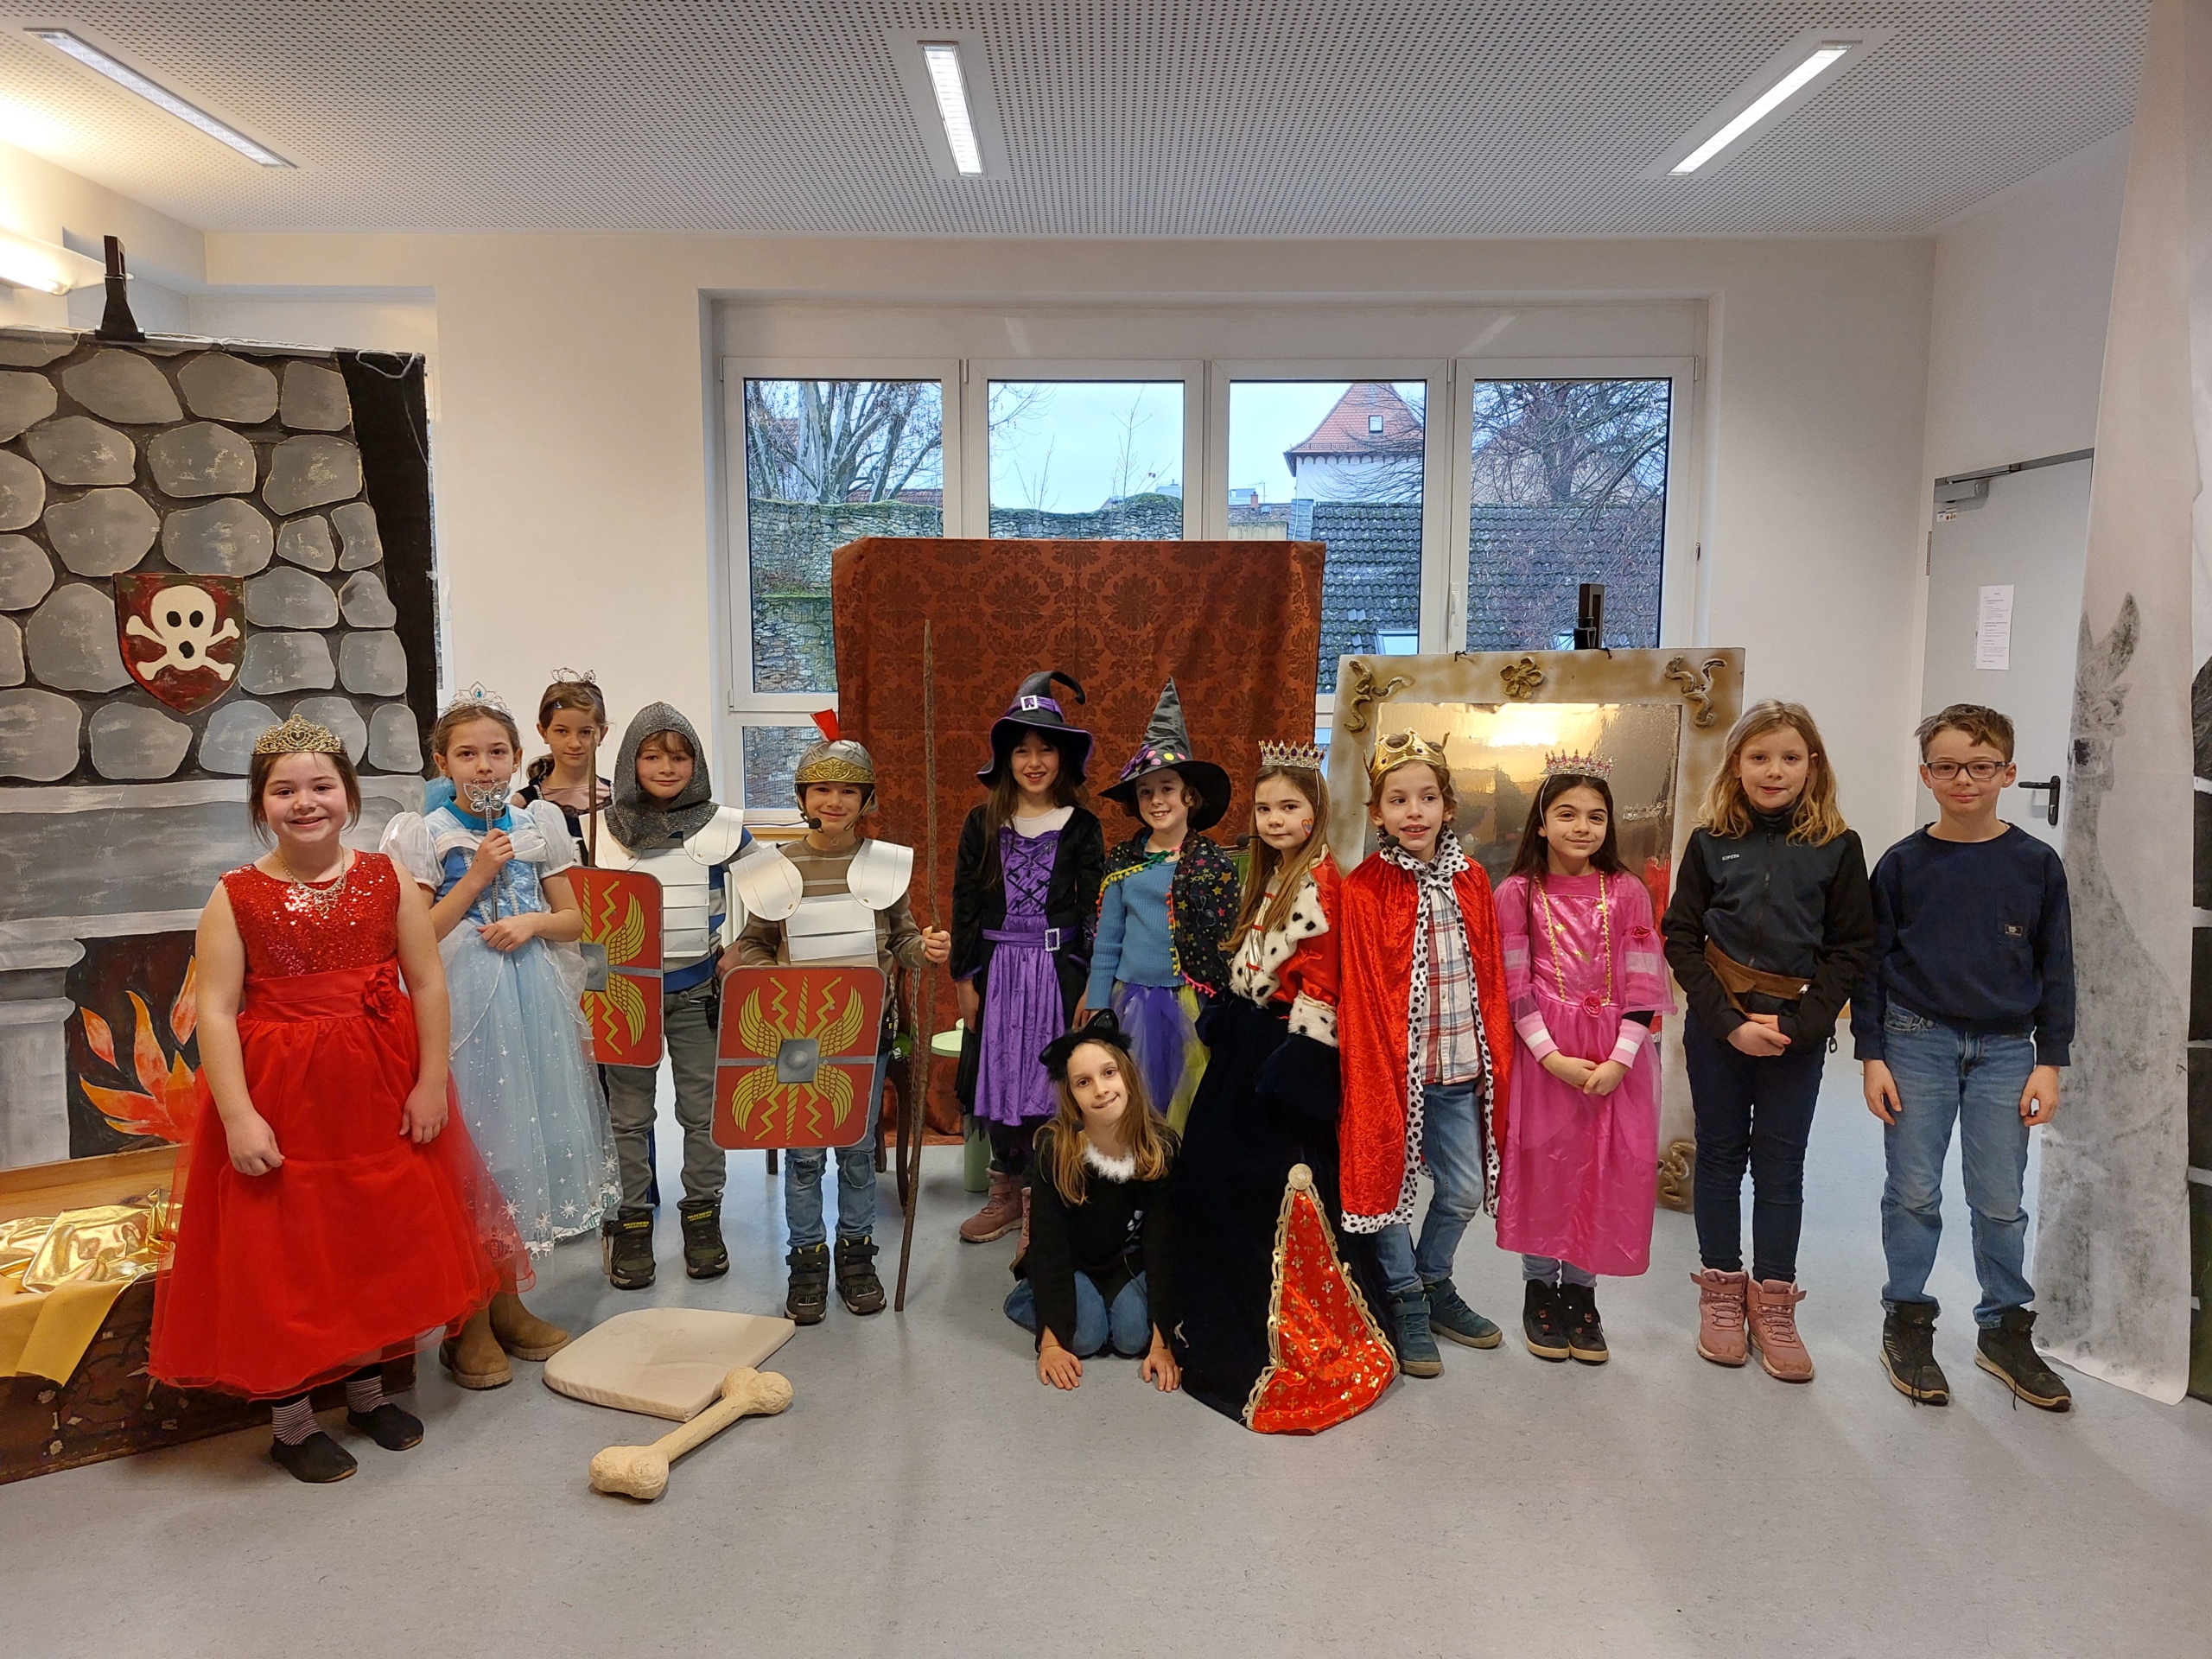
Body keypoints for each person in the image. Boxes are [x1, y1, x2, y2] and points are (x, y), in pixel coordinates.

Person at [150, 715, 520, 1484]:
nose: (304, 802)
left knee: (375, 1240)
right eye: (283, 791)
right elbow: (215, 1009)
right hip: (282, 1100)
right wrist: (239, 1115)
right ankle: (291, 1423)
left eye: (320, 786)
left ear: (348, 796)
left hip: (378, 1090)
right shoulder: (235, 896)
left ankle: (367, 1393)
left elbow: (426, 982)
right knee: (288, 1253)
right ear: (261, 805)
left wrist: (429, 1081)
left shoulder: (386, 880)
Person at [379, 686, 616, 1389]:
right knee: (474, 1155)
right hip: (464, 1002)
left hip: (531, 999)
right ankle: (469, 1320)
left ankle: (509, 1301)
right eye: (467, 754)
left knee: (519, 1152)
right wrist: (477, 875)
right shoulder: (423, 833)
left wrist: (532, 923)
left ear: (517, 757)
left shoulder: (539, 822)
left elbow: (574, 919)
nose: (483, 766)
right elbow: (416, 934)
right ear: (442, 763)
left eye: (496, 753)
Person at [1856, 703, 2075, 1412]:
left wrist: (2051, 1059)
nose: (1964, 780)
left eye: (1981, 767)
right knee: (1914, 1191)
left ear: (2008, 773)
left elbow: (2057, 968)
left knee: (2001, 1200)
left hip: (2007, 1050)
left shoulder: (2036, 865)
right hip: (1915, 1039)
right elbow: (1870, 966)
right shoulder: (1902, 865)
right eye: (1947, 767)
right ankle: (1907, 1319)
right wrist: (1871, 1054)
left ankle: (2004, 1329)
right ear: (1926, 775)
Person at [1172, 741, 1396, 1428]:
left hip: (1283, 1054)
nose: (1274, 819)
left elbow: (1323, 983)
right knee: (1210, 1173)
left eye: (1288, 806)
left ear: (1314, 813)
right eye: (1265, 807)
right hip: (1249, 1039)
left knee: (1261, 1183)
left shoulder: (1322, 885)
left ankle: (1283, 1324)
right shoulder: (1270, 874)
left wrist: (1296, 1068)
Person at [1663, 700, 1874, 1383]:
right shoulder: (1709, 842)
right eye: (1758, 757)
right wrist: (1728, 1022)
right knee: (1720, 1155)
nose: (1773, 770)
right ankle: (1723, 1294)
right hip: (1719, 1029)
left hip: (1794, 1033)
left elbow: (1851, 947)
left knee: (1782, 1167)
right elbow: (1680, 937)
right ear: (1736, 765)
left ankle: (1775, 1304)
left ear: (1813, 765)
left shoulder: (1839, 847)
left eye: (1789, 757)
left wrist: (1800, 1026)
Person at [734, 715, 950, 1324]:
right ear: (803, 798)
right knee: (805, 1154)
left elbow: (901, 940)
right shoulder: (773, 868)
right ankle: (806, 1259)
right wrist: (776, 986)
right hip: (797, 1035)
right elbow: (753, 946)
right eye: (822, 789)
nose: (834, 801)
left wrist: (925, 949)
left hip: (864, 1031)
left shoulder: (885, 866)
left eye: (848, 790)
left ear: (865, 799)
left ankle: (857, 1255)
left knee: (856, 1151)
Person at [1337, 730, 1515, 1380]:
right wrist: (1371, 1072)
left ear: (1448, 806)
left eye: (1427, 798)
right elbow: (1361, 992)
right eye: (1398, 800)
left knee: (1463, 1191)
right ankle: (1405, 1298)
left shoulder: (1473, 880)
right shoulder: (1364, 889)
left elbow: (1490, 974)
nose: (1414, 811)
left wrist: (1494, 1057)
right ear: (1377, 813)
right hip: (1396, 1071)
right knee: (1387, 1190)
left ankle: (1433, 1279)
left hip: (1460, 1068)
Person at [1492, 755, 1674, 1366]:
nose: (1582, 827)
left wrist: (1621, 1060)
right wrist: (1551, 1058)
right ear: (1542, 823)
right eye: (1567, 814)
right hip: (1545, 1056)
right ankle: (1540, 1288)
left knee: (1602, 1166)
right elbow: (1514, 986)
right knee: (1545, 1165)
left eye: (1596, 816)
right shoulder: (1517, 894)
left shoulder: (1626, 892)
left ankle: (1582, 1292)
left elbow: (1645, 983)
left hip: (1615, 1057)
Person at [595, 702, 753, 1289]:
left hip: (697, 989)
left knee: (703, 1112)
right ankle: (632, 1219)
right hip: (623, 994)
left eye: (680, 757)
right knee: (628, 1115)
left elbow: (776, 889)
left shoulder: (723, 828)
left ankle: (703, 1214)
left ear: (696, 763)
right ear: (631, 761)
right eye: (652, 756)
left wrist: (742, 947)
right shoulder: (600, 828)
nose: (666, 768)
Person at [951, 671, 1106, 1246]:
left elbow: (1093, 907)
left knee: (1051, 1081)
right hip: (998, 972)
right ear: (1006, 758)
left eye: (1045, 750)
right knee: (1000, 1074)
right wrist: (965, 977)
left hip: (1058, 973)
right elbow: (966, 901)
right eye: (1022, 750)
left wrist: (1091, 981)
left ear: (1062, 758)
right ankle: (1004, 1189)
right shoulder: (982, 822)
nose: (1034, 762)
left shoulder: (1082, 827)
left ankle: (1043, 1200)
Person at [1084, 678, 1239, 1133]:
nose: (1156, 800)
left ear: (1189, 796)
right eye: (1145, 792)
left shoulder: (1211, 864)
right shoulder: (1123, 861)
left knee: (1189, 1107)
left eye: (1167, 788)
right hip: (1131, 1002)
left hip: (1191, 1004)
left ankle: (1182, 1176)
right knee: (1135, 1104)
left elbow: (1226, 941)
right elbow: (1107, 941)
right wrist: (1098, 1003)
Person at [1007, 1012, 1180, 1394]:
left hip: (1125, 1261)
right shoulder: (1056, 1149)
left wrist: (1162, 1342)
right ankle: (1028, 1295)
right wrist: (1051, 1343)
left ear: (1128, 1076)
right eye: (1083, 1082)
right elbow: (1049, 1244)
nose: (1100, 1090)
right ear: (1071, 1095)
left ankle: (1106, 1304)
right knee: (1083, 1339)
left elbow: (1163, 1244)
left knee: (1133, 1339)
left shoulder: (1160, 1147)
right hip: (1072, 1262)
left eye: (1109, 1073)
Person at [515, 671, 612, 864]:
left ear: (602, 734)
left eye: (585, 732)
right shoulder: (523, 804)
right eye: (562, 731)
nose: (574, 743)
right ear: (543, 732)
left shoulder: (619, 798)